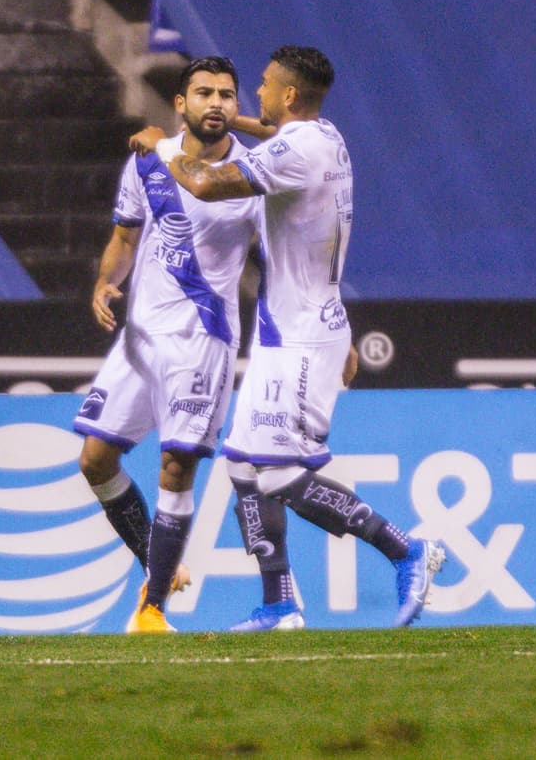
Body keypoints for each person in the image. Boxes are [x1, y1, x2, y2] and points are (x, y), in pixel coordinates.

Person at [129, 45, 445, 630]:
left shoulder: (296, 150)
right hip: (292, 327)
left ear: (289, 95)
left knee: (275, 472)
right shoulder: (325, 135)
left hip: (302, 338)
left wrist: (161, 147)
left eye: (267, 86)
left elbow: (203, 182)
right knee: (244, 465)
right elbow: (265, 133)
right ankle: (279, 604)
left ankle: (405, 550)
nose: (257, 97)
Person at [74, 56, 260, 633]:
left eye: (227, 95)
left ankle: (152, 608)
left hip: (203, 339)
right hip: (141, 338)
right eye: (203, 93)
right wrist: (108, 280)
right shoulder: (146, 163)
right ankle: (160, 561)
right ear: (179, 103)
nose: (216, 103)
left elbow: (280, 256)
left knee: (176, 465)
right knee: (95, 459)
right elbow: (125, 236)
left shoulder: (253, 174)